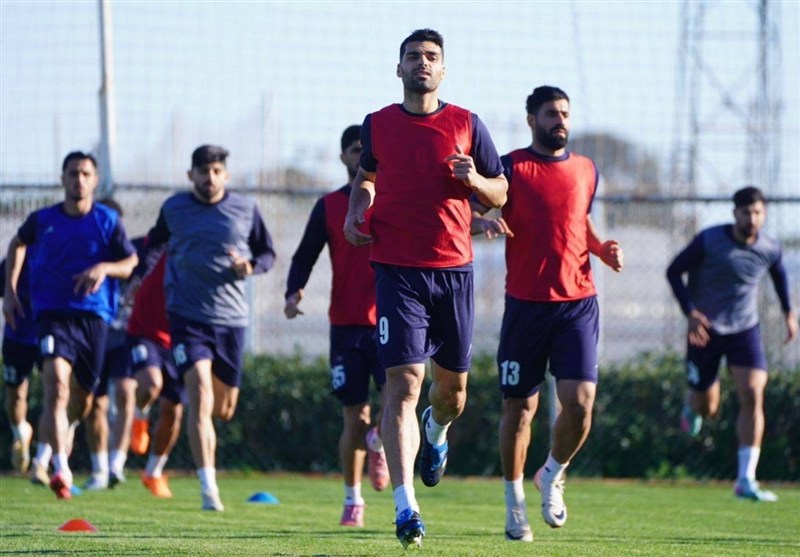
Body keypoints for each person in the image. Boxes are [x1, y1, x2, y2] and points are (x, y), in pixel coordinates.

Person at [343, 29, 508, 548]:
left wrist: (474, 181)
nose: (422, 63)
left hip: (454, 272)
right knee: (403, 384)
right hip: (396, 270)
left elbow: (501, 192)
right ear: (399, 69)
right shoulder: (378, 124)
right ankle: (405, 508)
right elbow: (366, 178)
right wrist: (355, 209)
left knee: (451, 395)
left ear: (443, 69)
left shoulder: (467, 123)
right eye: (413, 56)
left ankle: (437, 431)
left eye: (431, 56)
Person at [472, 85, 624, 541]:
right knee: (519, 409)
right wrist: (482, 224)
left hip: (578, 304)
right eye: (551, 114)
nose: (560, 121)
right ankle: (513, 503)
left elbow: (580, 221)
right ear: (531, 120)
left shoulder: (587, 170)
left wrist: (601, 248)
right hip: (526, 306)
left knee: (580, 403)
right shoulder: (510, 168)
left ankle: (552, 473)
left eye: (565, 114)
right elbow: (469, 215)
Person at [145, 144, 275, 511]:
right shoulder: (174, 208)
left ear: (226, 175)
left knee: (223, 409)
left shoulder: (245, 209)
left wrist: (250, 267)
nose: (210, 178)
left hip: (231, 321)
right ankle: (208, 488)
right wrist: (140, 276)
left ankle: (207, 473)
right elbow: (153, 244)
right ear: (191, 175)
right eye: (203, 171)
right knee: (199, 396)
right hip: (187, 317)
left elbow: (267, 253)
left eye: (216, 171)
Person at [3, 151, 139, 499]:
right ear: (62, 178)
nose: (79, 180)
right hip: (52, 315)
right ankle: (60, 467)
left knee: (83, 401)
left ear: (94, 180)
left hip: (93, 318)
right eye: (73, 173)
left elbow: (130, 262)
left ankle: (62, 434)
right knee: (56, 386)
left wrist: (104, 268)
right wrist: (11, 291)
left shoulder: (107, 220)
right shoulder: (42, 220)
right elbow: (18, 243)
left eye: (85, 174)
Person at [284, 125, 388, 528]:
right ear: (344, 157)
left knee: (399, 402)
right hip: (345, 326)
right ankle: (352, 500)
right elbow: (305, 255)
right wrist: (293, 292)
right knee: (354, 419)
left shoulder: (393, 200)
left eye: (368, 149)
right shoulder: (328, 206)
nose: (363, 155)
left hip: (391, 321)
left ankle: (380, 441)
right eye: (356, 149)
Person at [666, 185, 797, 502]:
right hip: (705, 330)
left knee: (753, 393)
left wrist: (788, 314)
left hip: (744, 329)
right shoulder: (709, 240)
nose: (752, 219)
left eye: (758, 213)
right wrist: (690, 312)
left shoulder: (769, 247)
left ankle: (745, 480)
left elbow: (779, 275)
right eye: (746, 212)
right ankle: (693, 403)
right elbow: (674, 271)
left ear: (764, 214)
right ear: (735, 213)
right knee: (708, 407)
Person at [123, 250, 185, 498]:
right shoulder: (161, 243)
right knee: (150, 385)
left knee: (173, 411)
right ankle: (140, 416)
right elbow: (140, 257)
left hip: (181, 337)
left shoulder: (206, 253)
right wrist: (137, 278)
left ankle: (153, 472)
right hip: (145, 332)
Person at [0, 258, 39, 476]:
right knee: (14, 397)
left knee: (58, 394)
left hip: (51, 332)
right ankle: (21, 432)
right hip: (17, 335)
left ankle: (48, 460)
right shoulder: (14, 260)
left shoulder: (59, 252)